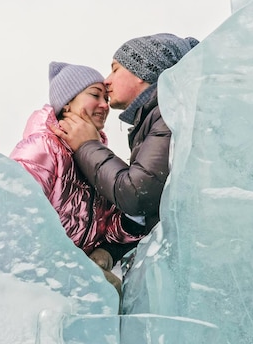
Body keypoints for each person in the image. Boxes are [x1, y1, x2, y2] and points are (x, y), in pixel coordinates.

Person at [51, 33, 200, 272]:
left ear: (143, 71)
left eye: (115, 69)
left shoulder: (168, 113)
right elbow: (147, 215)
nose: (107, 81)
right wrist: (112, 250)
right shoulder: (154, 119)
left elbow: (138, 194)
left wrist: (88, 145)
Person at [9, 61, 149, 295]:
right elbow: (16, 219)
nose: (105, 105)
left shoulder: (94, 156)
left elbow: (113, 224)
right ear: (66, 104)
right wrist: (74, 270)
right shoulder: (43, 147)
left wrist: (109, 247)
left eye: (106, 99)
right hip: (40, 285)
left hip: (72, 283)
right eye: (95, 95)